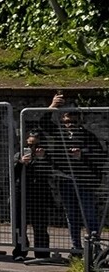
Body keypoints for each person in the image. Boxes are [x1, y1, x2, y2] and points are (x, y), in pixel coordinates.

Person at [45, 94, 108, 253]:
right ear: (62, 122)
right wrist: (52, 107)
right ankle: (76, 248)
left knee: (89, 215)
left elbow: (100, 156)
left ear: (79, 122)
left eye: (73, 122)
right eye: (67, 122)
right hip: (66, 181)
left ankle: (94, 248)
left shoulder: (88, 136)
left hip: (84, 181)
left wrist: (82, 155)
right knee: (72, 216)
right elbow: (43, 124)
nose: (70, 125)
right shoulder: (60, 135)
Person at [14, 130, 58, 259]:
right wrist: (21, 163)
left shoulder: (46, 156)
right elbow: (11, 174)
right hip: (22, 194)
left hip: (40, 195)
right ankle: (20, 251)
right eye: (29, 145)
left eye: (35, 145)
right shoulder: (19, 155)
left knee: (40, 226)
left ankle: (42, 253)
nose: (32, 148)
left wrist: (42, 158)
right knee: (19, 225)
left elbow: (52, 171)